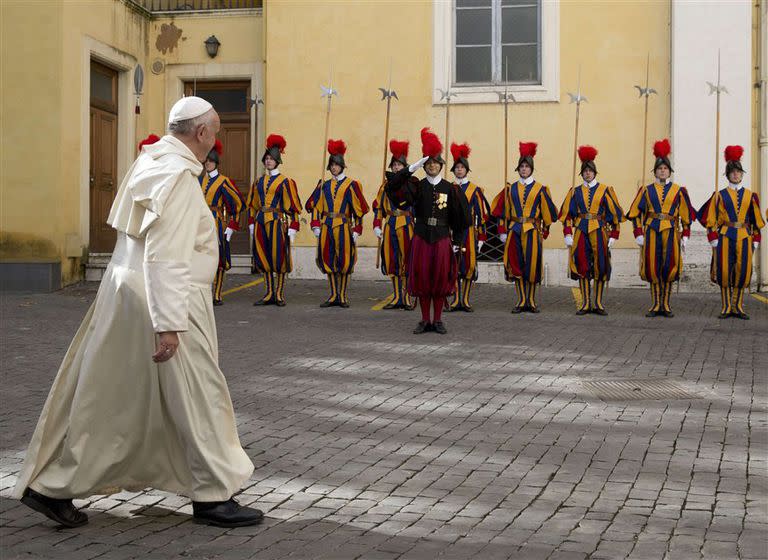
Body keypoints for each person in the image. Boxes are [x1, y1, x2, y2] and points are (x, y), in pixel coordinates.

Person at [14, 97, 262, 528]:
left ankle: (52, 486)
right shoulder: (179, 177)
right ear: (201, 133)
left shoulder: (150, 162)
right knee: (199, 397)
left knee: (112, 399)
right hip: (171, 301)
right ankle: (211, 497)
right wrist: (169, 324)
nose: (217, 138)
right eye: (215, 130)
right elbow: (165, 255)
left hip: (126, 297)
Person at [386, 127, 471, 334]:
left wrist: (458, 244)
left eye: (435, 162)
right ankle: (425, 320)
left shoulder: (451, 189)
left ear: (441, 165)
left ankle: (438, 320)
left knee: (440, 280)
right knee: (423, 279)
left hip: (442, 239)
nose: (432, 166)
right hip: (422, 238)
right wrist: (412, 167)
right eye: (428, 163)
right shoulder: (416, 185)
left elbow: (461, 220)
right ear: (425, 165)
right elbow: (392, 186)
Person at [627, 139, 695, 317]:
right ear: (655, 171)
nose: (662, 171)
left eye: (665, 168)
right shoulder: (646, 190)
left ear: (669, 171)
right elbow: (635, 213)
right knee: (653, 267)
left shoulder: (679, 191)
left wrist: (686, 234)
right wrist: (638, 233)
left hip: (671, 232)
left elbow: (686, 216)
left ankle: (666, 304)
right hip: (651, 231)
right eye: (659, 169)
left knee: (668, 267)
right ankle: (655, 305)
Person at [698, 145, 765, 319]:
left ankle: (738, 306)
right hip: (726, 235)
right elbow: (711, 219)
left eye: (738, 172)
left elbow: (755, 219)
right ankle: (726, 306)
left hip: (744, 236)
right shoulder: (719, 195)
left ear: (742, 174)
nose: (736, 175)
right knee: (725, 270)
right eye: (732, 172)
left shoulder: (751, 196)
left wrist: (756, 239)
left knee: (742, 271)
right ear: (728, 174)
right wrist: (713, 237)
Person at [490, 142, 558, 313]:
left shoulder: (540, 189)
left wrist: (546, 229)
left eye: (527, 166)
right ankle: (521, 300)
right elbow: (502, 212)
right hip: (514, 229)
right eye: (522, 166)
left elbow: (547, 212)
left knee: (532, 266)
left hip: (533, 231)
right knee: (516, 264)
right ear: (518, 169)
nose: (524, 169)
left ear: (531, 168)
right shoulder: (510, 189)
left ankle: (531, 301)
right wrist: (502, 231)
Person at [559, 145, 624, 315]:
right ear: (581, 173)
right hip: (580, 231)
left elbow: (614, 214)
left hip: (600, 231)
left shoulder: (605, 190)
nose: (588, 173)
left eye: (590, 170)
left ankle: (598, 303)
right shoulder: (575, 191)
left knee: (601, 266)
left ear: (595, 172)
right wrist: (567, 233)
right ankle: (586, 303)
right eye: (585, 171)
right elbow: (567, 215)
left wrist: (614, 235)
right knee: (582, 265)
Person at [306, 139, 369, 307]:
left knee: (344, 261)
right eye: (332, 164)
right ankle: (333, 295)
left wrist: (357, 228)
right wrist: (315, 225)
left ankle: (342, 296)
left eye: (336, 164)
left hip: (343, 226)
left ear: (342, 165)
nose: (334, 167)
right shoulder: (324, 185)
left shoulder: (351, 185)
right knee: (329, 259)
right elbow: (314, 207)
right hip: (326, 226)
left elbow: (359, 209)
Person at [246, 134, 302, 306]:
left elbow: (294, 207)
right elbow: (252, 204)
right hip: (261, 221)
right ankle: (269, 292)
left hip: (278, 222)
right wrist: (251, 223)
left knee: (279, 258)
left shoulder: (286, 182)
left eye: (272, 158)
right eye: (267, 158)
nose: (269, 161)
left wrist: (293, 227)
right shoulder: (258, 182)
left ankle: (279, 294)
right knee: (264, 258)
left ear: (278, 161)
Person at [199, 140, 245, 305]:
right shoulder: (199, 180)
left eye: (210, 161)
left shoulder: (223, 181)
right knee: (200, 257)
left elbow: (238, 203)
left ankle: (217, 293)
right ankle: (203, 293)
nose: (208, 164)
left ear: (216, 163)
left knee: (217, 258)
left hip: (217, 222)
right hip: (199, 222)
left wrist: (232, 224)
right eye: (206, 161)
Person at [447, 142, 490, 312]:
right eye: (456, 167)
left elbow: (481, 215)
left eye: (461, 167)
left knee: (468, 266)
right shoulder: (448, 188)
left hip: (469, 232)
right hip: (452, 232)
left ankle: (465, 300)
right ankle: (455, 299)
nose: (459, 170)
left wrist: (482, 237)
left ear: (466, 169)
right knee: (453, 266)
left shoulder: (475, 190)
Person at [373, 139, 415, 309]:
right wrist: (376, 225)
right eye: (394, 165)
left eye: (399, 165)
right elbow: (378, 207)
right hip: (390, 223)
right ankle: (397, 296)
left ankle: (407, 297)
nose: (396, 168)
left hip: (406, 223)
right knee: (392, 261)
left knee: (407, 260)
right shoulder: (385, 186)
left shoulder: (411, 184)